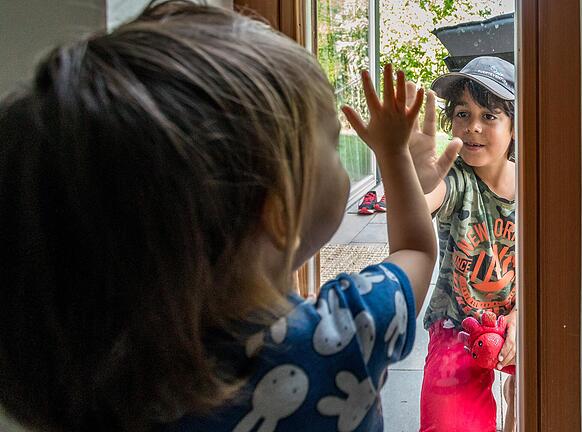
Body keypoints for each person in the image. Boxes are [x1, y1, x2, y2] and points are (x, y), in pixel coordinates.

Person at [0, 2, 435, 431]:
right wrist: (392, 154)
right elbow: (416, 250)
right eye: (331, 141)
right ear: (278, 211)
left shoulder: (97, 384)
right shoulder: (344, 336)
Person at [406, 56, 518, 432]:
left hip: (525, 318)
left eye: (489, 116)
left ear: (515, 126)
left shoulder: (539, 185)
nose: (472, 127)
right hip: (459, 323)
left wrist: (523, 317)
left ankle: (515, 401)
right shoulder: (456, 179)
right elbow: (426, 201)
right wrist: (413, 178)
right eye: (461, 113)